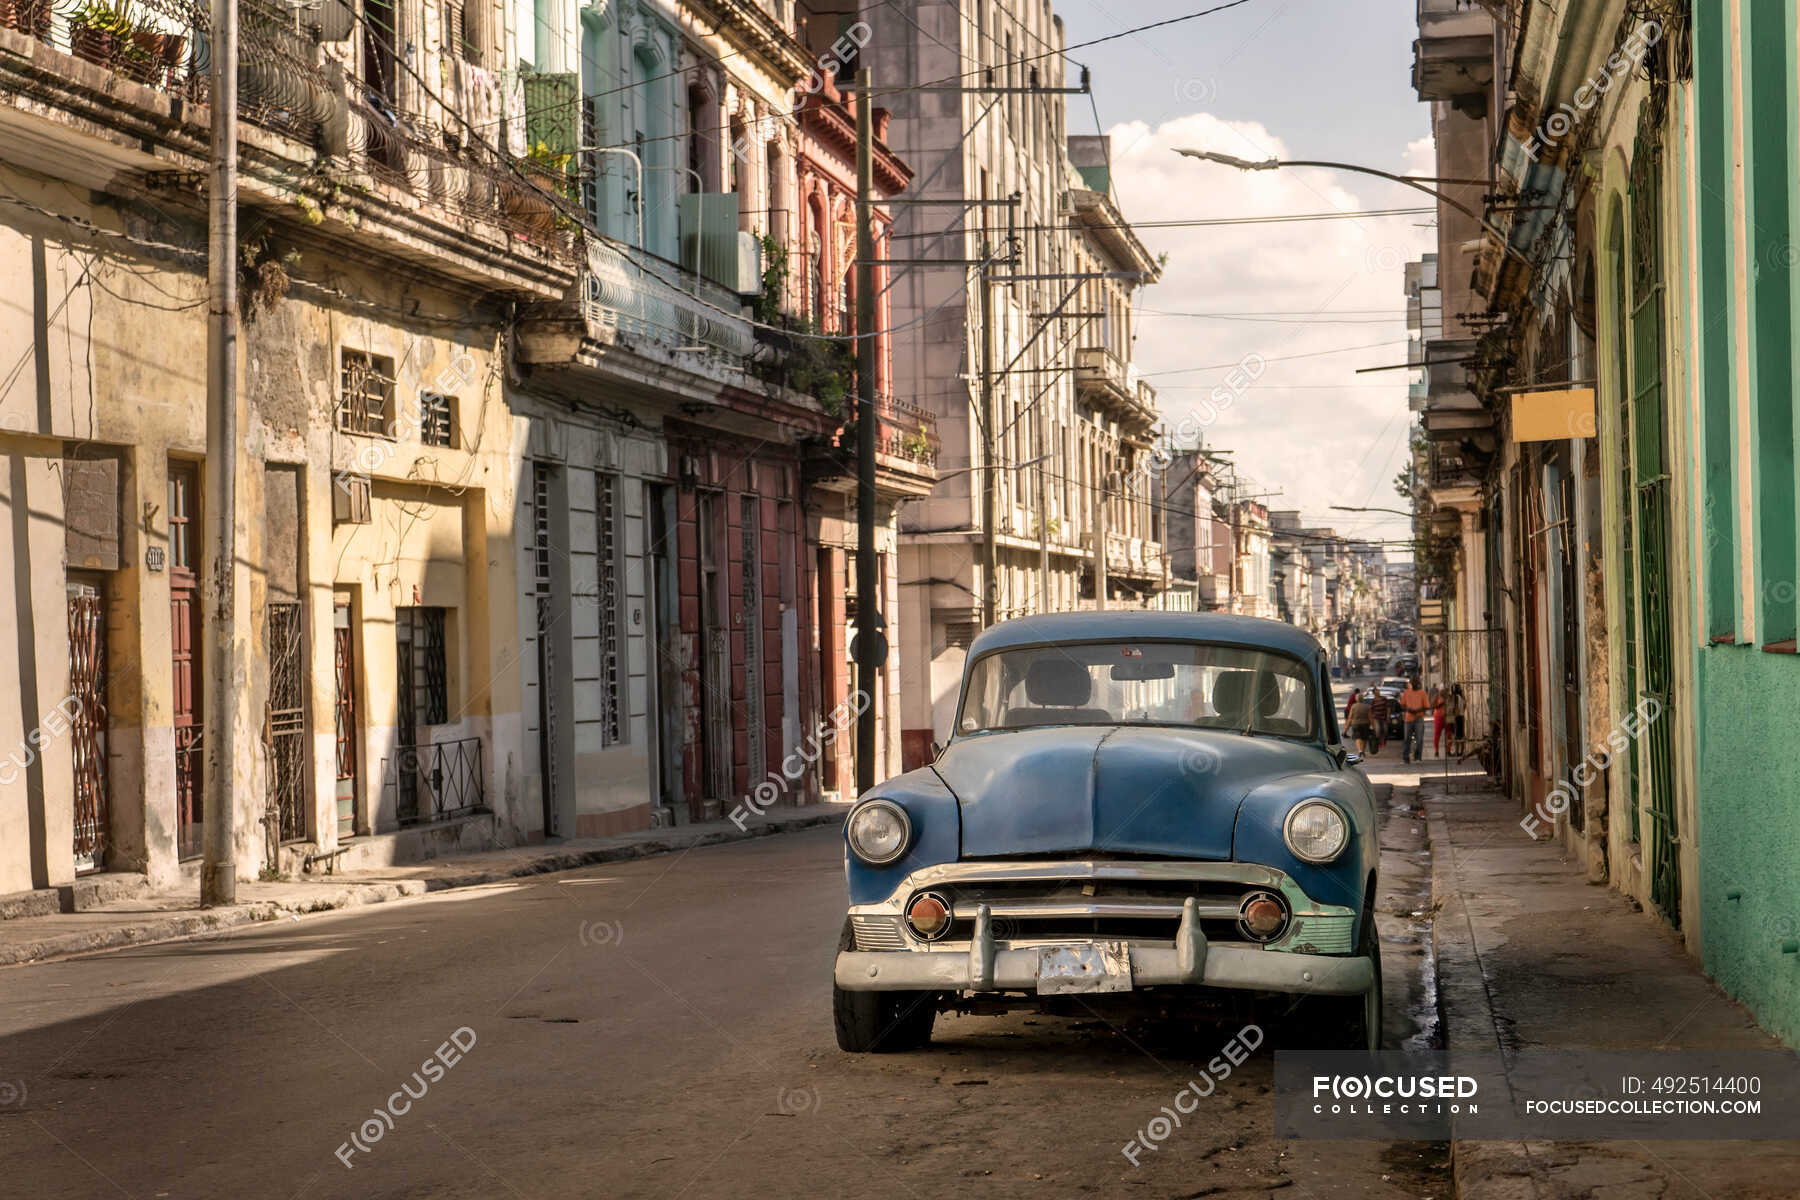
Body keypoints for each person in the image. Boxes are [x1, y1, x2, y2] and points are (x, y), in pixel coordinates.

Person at [1400, 675, 1428, 765]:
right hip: (1408, 718)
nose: (1415, 685)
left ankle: (1418, 756)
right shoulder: (1406, 693)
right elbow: (1402, 705)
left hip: (1419, 718)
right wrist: (1409, 709)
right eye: (1413, 683)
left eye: (1416, 683)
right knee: (1407, 739)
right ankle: (1406, 757)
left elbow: (1426, 706)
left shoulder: (1422, 693)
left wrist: (1418, 710)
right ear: (1411, 684)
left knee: (1419, 739)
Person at [1348, 690, 1374, 756]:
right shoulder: (1367, 706)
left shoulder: (1353, 706)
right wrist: (1372, 725)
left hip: (1355, 724)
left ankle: (1359, 750)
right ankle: (1363, 750)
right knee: (1364, 738)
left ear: (1356, 699)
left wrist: (1347, 726)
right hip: (1365, 724)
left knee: (1357, 737)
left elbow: (1350, 717)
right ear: (1363, 699)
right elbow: (1370, 717)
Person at [1367, 688, 1390, 754]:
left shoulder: (1384, 698)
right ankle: (1379, 743)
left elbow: (1388, 707)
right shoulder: (1373, 701)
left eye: (1378, 691)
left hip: (1383, 717)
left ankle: (1384, 741)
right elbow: (1370, 711)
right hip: (1376, 718)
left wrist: (1388, 716)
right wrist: (1371, 721)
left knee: (1385, 730)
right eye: (1376, 691)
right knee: (1378, 730)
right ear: (1374, 693)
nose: (1378, 692)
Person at [1447, 685, 1466, 755]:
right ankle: (1462, 751)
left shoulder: (1455, 697)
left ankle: (1457, 751)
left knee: (1457, 735)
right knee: (1462, 734)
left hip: (1457, 717)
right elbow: (1464, 706)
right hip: (1462, 716)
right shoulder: (1462, 697)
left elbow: (1455, 708)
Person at [1431, 684, 1448, 758]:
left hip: (1447, 717)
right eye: (1443, 690)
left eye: (1445, 690)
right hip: (1438, 717)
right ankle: (1436, 751)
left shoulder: (1448, 696)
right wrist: (1441, 704)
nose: (1444, 691)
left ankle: (1448, 750)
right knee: (1437, 734)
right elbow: (1432, 705)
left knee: (1449, 734)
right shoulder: (1437, 696)